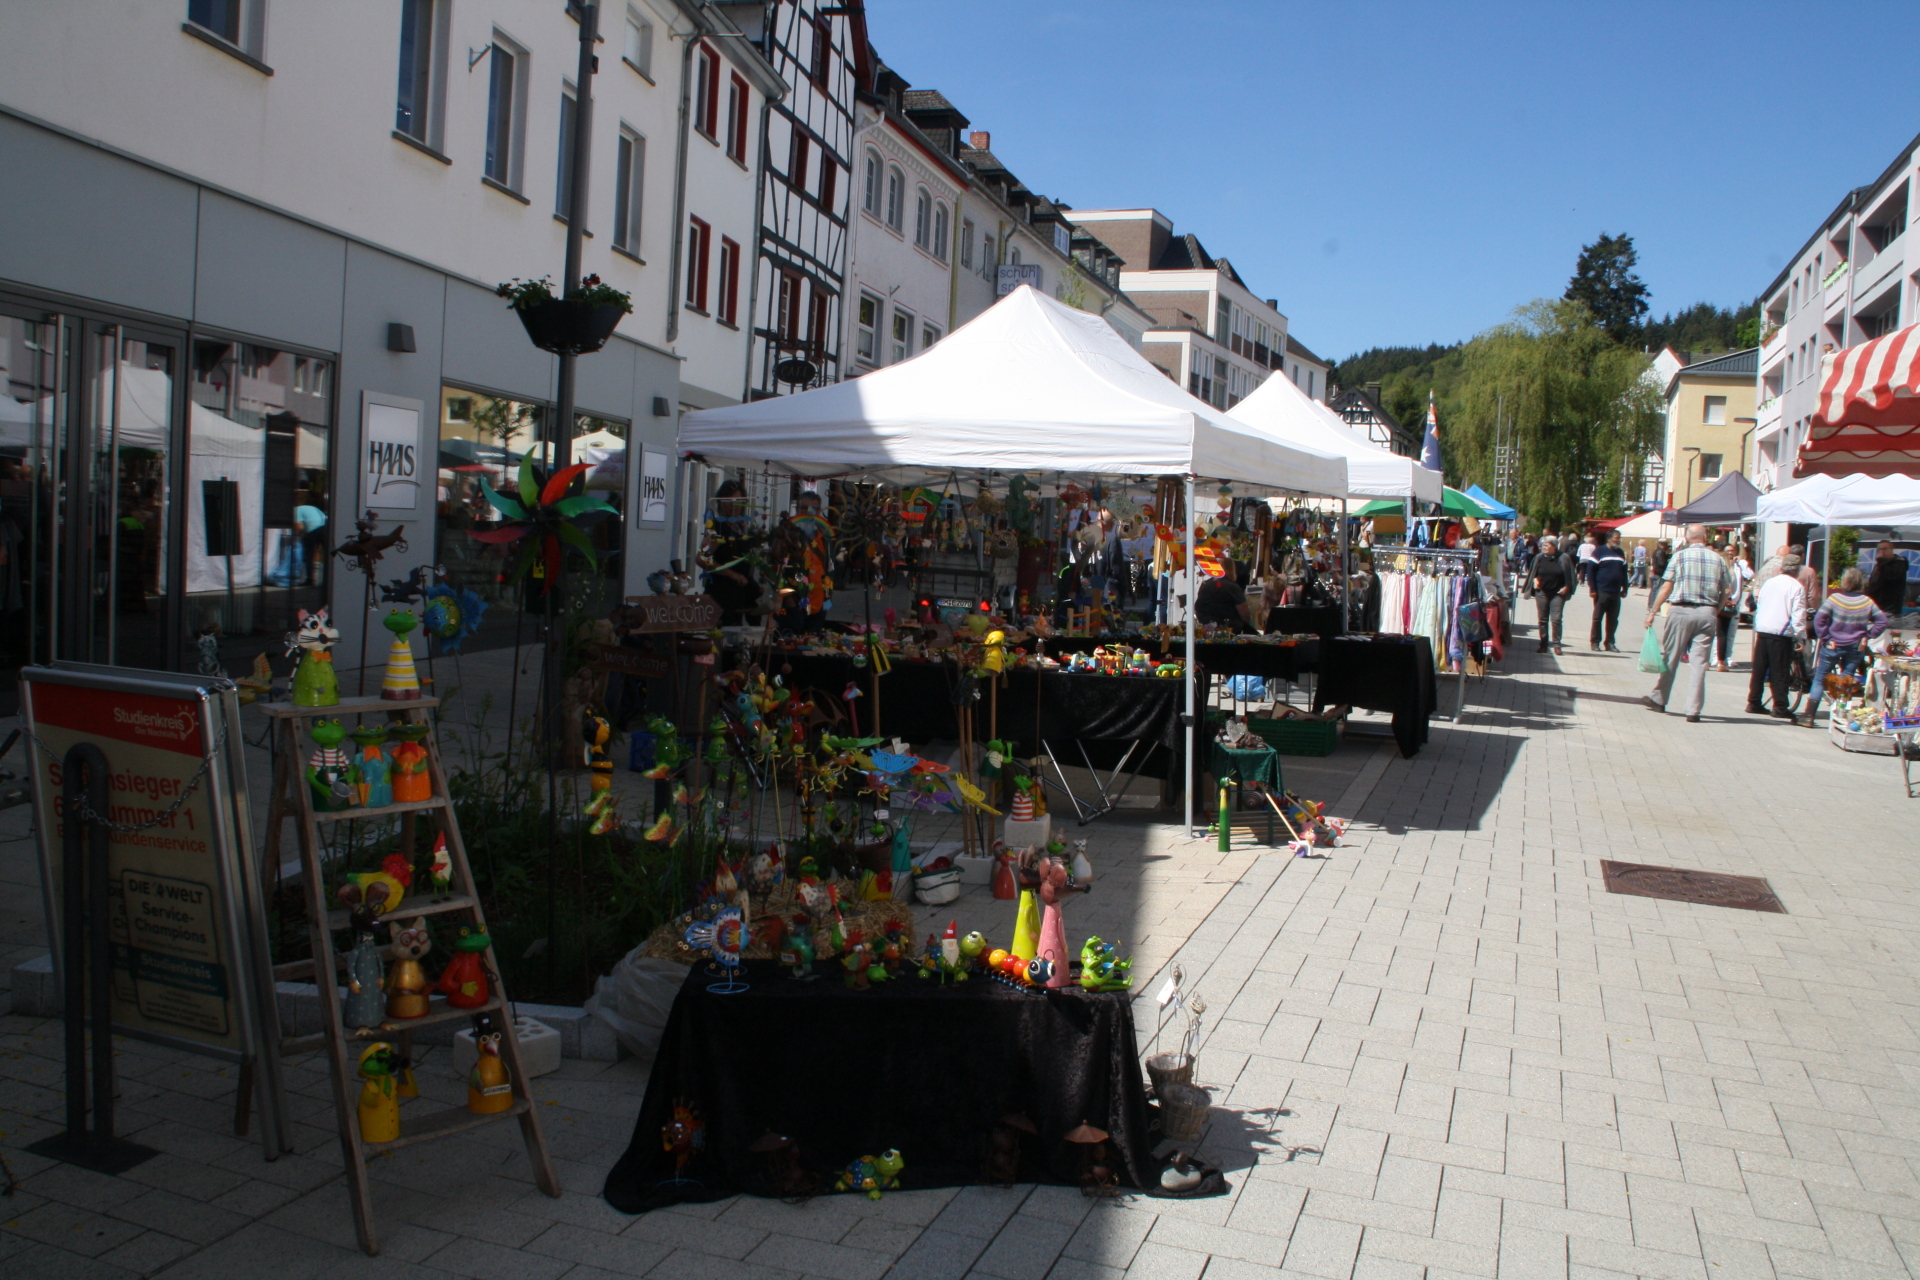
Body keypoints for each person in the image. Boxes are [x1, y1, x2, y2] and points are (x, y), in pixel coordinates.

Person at [1640, 524, 1734, 723]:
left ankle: (1659, 698)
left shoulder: (1680, 557)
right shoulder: (1717, 559)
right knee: (1699, 663)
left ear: (1687, 537)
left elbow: (1667, 586)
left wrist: (1653, 611)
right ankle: (1693, 710)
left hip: (1681, 610)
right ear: (1705, 537)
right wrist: (1715, 610)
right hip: (1707, 612)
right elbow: (1727, 590)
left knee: (1671, 657)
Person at [1803, 567, 1889, 726]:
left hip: (1833, 644)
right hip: (1856, 646)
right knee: (1847, 679)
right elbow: (1882, 621)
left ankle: (1809, 715)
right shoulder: (1867, 601)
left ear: (1845, 581)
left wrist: (1826, 637)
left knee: (1820, 678)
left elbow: (1819, 620)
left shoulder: (1835, 599)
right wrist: (1867, 636)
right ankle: (1841, 715)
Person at [1746, 553, 1806, 720]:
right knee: (1779, 670)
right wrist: (1801, 635)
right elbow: (1798, 614)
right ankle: (1780, 705)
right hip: (1780, 632)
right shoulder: (1796, 587)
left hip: (1763, 628)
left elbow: (1761, 602)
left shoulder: (1769, 583)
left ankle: (1754, 701)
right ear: (1797, 570)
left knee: (1759, 668)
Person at [1527, 534, 1576, 655]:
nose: (1544, 547)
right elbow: (1533, 572)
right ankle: (1543, 644)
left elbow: (1570, 575)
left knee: (1556, 619)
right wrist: (1535, 580)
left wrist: (1567, 587)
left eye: (1547, 545)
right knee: (1542, 620)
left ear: (1554, 546)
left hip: (1558, 593)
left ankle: (1556, 644)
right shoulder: (1539, 557)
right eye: (1543, 545)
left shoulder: (1564, 557)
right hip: (1542, 592)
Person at [1588, 531, 1629, 651]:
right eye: (1616, 538)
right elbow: (1591, 571)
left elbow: (1624, 572)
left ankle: (1610, 642)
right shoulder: (1599, 551)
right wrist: (1593, 588)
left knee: (1613, 619)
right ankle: (1595, 642)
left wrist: (1625, 588)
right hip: (1601, 591)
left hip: (1615, 592)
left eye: (1619, 538)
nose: (1618, 540)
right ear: (1609, 539)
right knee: (1597, 618)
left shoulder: (1620, 553)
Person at [1712, 545, 1749, 672]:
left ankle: (1722, 658)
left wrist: (1742, 563)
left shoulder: (1735, 567)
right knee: (1721, 633)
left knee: (1724, 633)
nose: (1731, 554)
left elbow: (1750, 574)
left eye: (1732, 551)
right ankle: (1719, 659)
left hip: (1728, 604)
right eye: (1728, 551)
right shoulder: (1726, 569)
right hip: (1725, 604)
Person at [1194, 568, 1253, 632]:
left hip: (1206, 628)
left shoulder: (1205, 585)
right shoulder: (1233, 587)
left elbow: (1198, 606)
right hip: (1230, 629)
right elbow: (1244, 612)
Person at [1866, 540, 1909, 620]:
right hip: (1876, 604)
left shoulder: (1900, 562)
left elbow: (1891, 576)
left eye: (1885, 549)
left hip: (1890, 605)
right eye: (1880, 550)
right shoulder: (1880, 564)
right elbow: (1874, 583)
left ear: (1892, 549)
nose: (1882, 552)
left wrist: (1881, 562)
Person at [294, 499, 328, 587]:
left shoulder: (296, 510)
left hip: (314, 530)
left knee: (309, 554)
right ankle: (329, 579)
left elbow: (299, 526)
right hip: (326, 528)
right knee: (327, 554)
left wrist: (299, 534)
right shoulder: (312, 508)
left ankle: (310, 579)